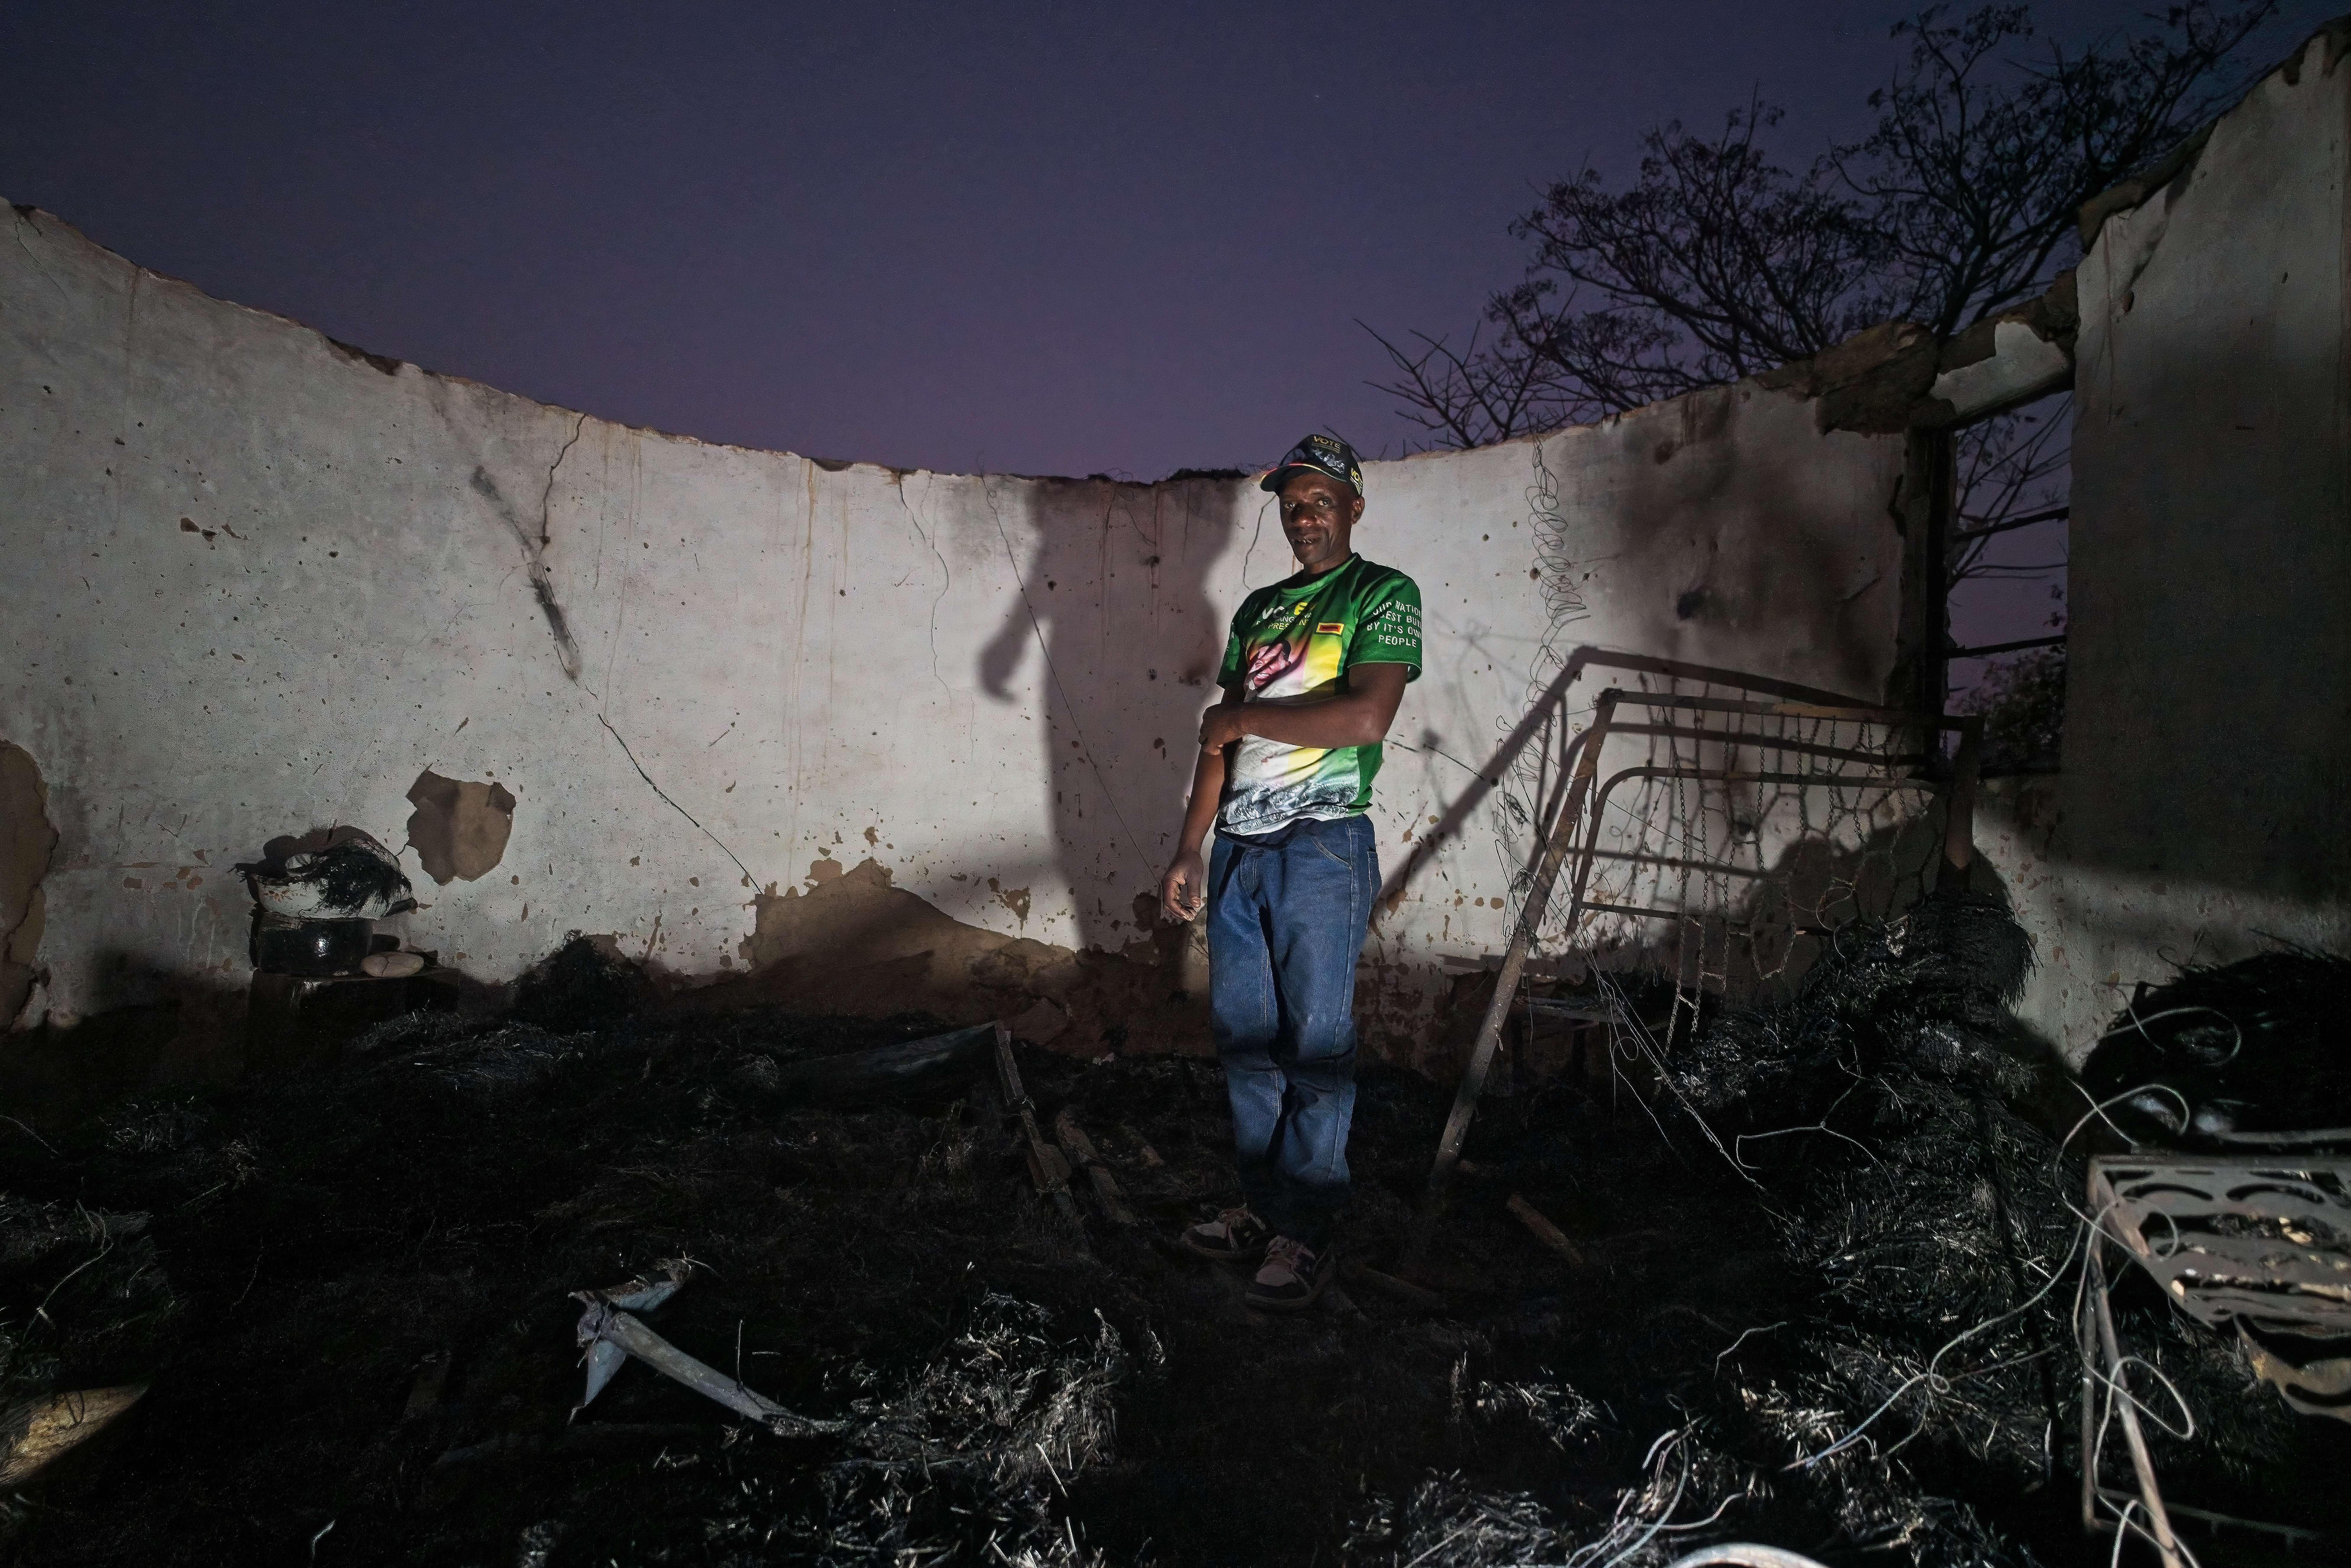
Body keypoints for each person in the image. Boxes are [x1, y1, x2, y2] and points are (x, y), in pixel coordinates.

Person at [1159, 433, 1422, 1311]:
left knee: (1316, 1043)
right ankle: (1260, 1208)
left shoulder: (1382, 593)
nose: (1304, 516)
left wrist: (1243, 720)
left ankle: (1306, 1231)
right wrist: (1190, 847)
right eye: (1292, 503)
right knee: (1246, 1040)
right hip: (1239, 847)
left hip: (1321, 844)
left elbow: (1366, 719)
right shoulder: (1259, 611)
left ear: (1353, 507)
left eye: (1321, 501)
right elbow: (1216, 742)